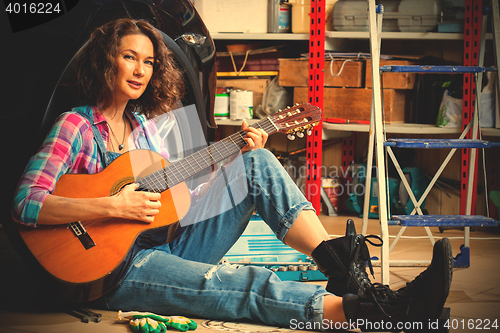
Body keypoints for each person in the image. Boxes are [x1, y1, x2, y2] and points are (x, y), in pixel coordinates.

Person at [12, 18, 453, 330]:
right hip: (115, 270)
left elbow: (180, 196)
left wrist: (234, 155)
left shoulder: (144, 130)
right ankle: (383, 311)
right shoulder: (75, 126)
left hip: (167, 241)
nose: (141, 70)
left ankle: (341, 265)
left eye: (148, 62)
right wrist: (111, 204)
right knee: (242, 284)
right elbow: (25, 203)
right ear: (107, 62)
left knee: (255, 164)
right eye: (130, 57)